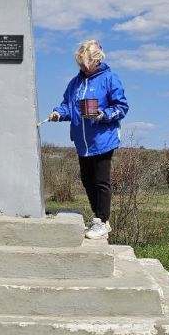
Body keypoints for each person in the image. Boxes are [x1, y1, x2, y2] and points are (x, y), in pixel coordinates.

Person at [47, 40, 129, 239]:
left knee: (101, 181)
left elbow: (122, 107)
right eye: (80, 63)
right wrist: (58, 113)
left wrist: (103, 114)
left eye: (86, 63)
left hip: (102, 139)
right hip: (82, 141)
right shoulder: (75, 83)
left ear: (96, 60)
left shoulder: (110, 79)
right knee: (87, 179)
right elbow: (67, 105)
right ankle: (99, 219)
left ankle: (102, 221)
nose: (83, 67)